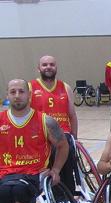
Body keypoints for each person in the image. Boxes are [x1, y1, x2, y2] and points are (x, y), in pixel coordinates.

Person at [0, 79, 69, 203]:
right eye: (13, 92)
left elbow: (63, 145)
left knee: (18, 188)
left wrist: (56, 169)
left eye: (21, 92)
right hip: (6, 173)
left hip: (35, 172)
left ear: (29, 95)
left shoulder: (45, 121)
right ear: (7, 95)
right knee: (3, 190)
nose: (17, 96)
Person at [29, 55, 79, 194]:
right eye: (44, 65)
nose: (48, 67)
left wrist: (75, 137)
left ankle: (68, 193)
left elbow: (72, 115)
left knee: (65, 146)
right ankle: (53, 192)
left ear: (56, 67)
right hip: (41, 133)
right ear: (38, 68)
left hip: (63, 133)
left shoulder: (65, 87)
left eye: (51, 64)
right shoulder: (30, 87)